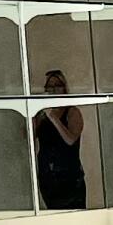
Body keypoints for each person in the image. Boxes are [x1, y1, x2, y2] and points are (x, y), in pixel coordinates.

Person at [33, 69, 88, 210]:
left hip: (69, 175)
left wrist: (53, 116)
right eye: (49, 87)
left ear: (64, 89)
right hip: (47, 174)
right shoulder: (42, 114)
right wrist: (34, 114)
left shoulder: (72, 112)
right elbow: (29, 138)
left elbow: (70, 140)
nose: (53, 90)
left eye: (57, 86)